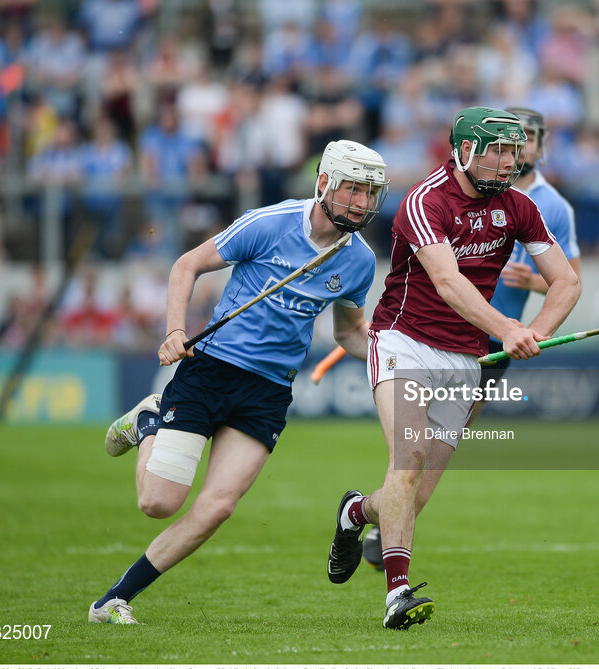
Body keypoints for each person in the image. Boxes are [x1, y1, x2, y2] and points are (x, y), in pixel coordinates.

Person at [87, 139, 388, 625]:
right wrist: (175, 331)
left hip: (268, 392)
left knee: (219, 506)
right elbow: (186, 264)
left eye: (371, 193)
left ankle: (112, 601)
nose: (361, 202)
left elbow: (350, 333)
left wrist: (391, 351)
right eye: (353, 189)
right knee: (158, 503)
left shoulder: (357, 262)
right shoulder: (268, 223)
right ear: (325, 182)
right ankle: (148, 420)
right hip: (211, 371)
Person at [325, 107, 580, 629]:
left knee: (413, 494)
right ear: (465, 150)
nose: (508, 162)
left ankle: (355, 512)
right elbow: (447, 281)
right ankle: (398, 593)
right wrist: (510, 326)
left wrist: (538, 333)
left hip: (466, 358)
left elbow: (567, 282)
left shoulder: (520, 207)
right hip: (405, 340)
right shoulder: (425, 200)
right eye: (496, 152)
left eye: (514, 152)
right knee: (409, 459)